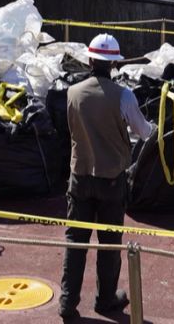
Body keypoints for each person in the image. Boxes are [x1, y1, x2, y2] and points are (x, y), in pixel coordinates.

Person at [59, 33, 154, 320]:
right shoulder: (124, 96)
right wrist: (154, 126)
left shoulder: (72, 93)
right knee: (109, 244)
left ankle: (67, 302)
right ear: (114, 64)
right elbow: (144, 132)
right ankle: (105, 300)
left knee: (75, 242)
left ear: (90, 60)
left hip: (80, 177)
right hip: (112, 180)